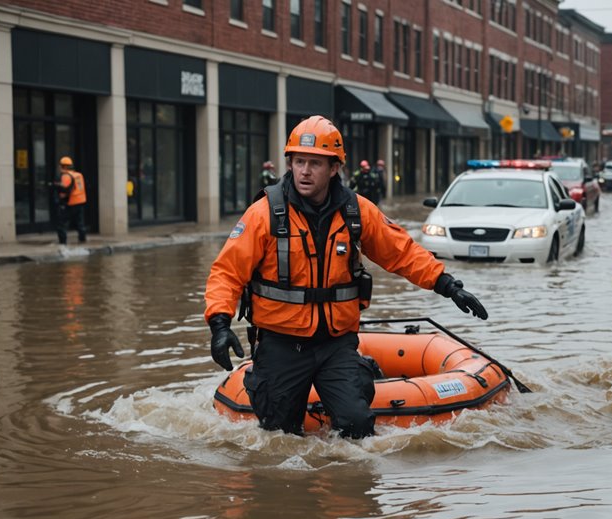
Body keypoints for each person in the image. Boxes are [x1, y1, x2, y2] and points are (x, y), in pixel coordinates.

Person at [205, 115, 488, 438]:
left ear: (334, 168)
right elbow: (227, 271)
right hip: (281, 342)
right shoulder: (264, 214)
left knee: (356, 424)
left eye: (314, 163)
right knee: (278, 435)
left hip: (335, 343)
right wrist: (220, 324)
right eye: (299, 162)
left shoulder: (357, 211)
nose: (305, 171)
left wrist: (448, 285)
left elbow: (401, 252)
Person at [55, 156, 87, 245]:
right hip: (80, 202)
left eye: (60, 166)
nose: (59, 168)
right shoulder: (78, 175)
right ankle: (83, 240)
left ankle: (62, 243)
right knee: (80, 224)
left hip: (70, 203)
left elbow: (64, 190)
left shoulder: (66, 176)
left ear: (64, 166)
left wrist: (57, 187)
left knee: (61, 224)